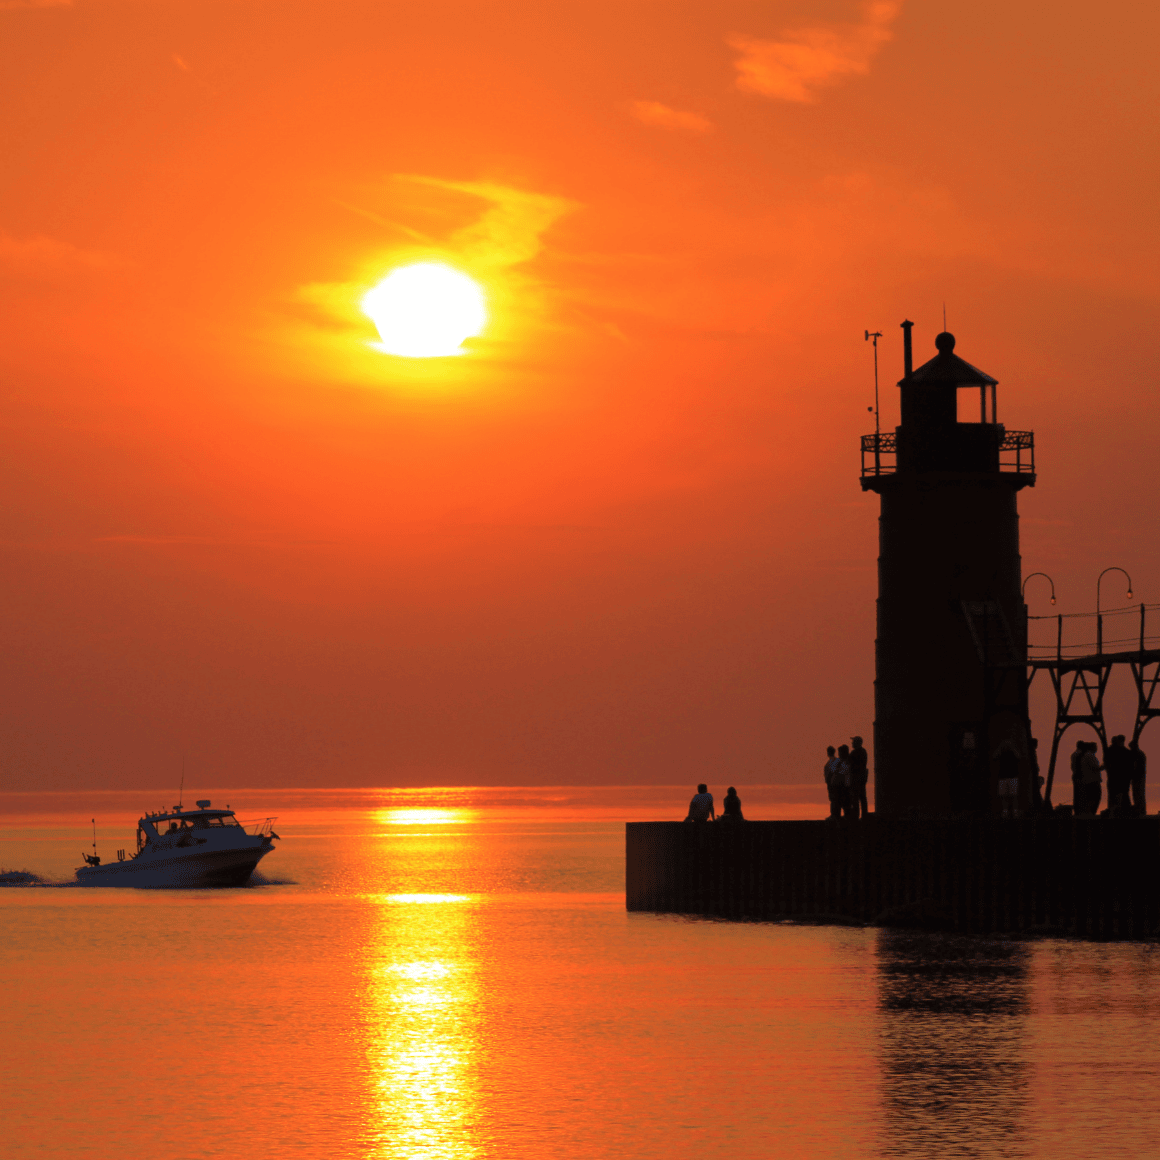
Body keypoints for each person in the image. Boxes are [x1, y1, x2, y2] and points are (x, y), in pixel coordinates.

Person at [1104, 735, 1133, 814]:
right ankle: (1123, 809)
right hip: (1123, 777)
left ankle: (1115, 809)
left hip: (1114, 776)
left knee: (1114, 794)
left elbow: (1107, 763)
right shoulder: (1125, 751)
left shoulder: (1110, 751)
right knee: (1123, 793)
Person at [1079, 741, 1103, 815]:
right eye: (1095, 747)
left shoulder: (1087, 756)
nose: (1097, 748)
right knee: (1094, 798)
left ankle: (1089, 813)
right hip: (1092, 781)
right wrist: (1104, 766)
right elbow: (1095, 768)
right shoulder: (1090, 756)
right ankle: (1090, 814)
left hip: (1088, 781)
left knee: (1091, 799)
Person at [848, 736, 869, 818]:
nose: (852, 743)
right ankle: (864, 815)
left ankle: (856, 816)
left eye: (853, 742)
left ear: (857, 743)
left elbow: (848, 763)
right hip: (862, 778)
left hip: (856, 779)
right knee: (862, 797)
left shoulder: (854, 753)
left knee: (855, 798)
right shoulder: (864, 752)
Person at [836, 744, 855, 818]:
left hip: (846, 786)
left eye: (840, 752)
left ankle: (848, 816)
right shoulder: (846, 761)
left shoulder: (846, 762)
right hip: (844, 785)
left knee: (846, 802)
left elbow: (843, 773)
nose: (839, 754)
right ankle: (848, 816)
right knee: (845, 803)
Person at [1130, 738, 1148, 816]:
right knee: (1139, 793)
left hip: (1138, 777)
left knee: (1138, 793)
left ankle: (1140, 809)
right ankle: (1141, 809)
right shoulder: (1141, 754)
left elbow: (1136, 767)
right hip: (1140, 777)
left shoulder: (1138, 755)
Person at [823, 746, 842, 819]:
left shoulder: (832, 762)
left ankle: (835, 815)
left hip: (833, 783)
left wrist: (829, 781)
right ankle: (836, 814)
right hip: (833, 783)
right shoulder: (837, 760)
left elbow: (831, 772)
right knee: (835, 799)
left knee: (834, 799)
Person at [1070, 738, 1086, 813]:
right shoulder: (1080, 755)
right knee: (1081, 794)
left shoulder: (1074, 754)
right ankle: (1080, 810)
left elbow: (1072, 766)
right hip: (1079, 776)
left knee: (1076, 794)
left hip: (1075, 775)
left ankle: (1077, 810)